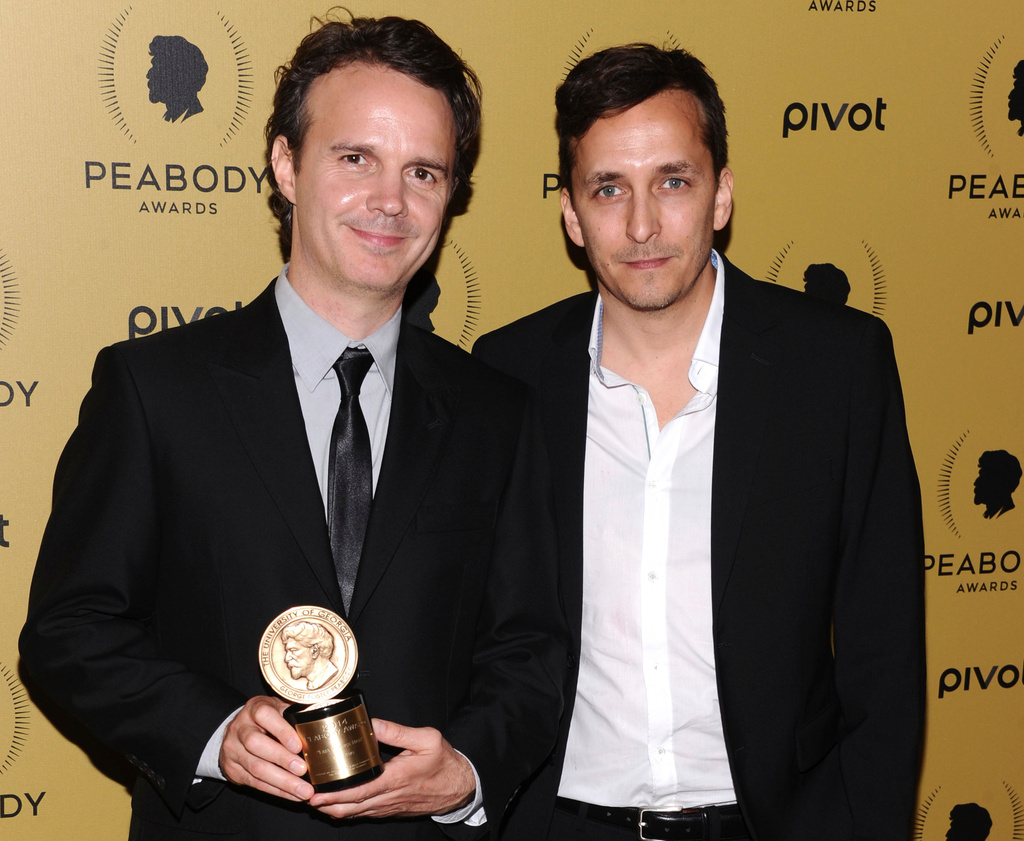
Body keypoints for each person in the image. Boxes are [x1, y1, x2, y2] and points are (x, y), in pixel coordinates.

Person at [21, 14, 565, 841]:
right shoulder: (155, 389)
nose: (390, 201)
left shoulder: (497, 412)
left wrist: (466, 772)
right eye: (356, 159)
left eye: (424, 171)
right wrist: (214, 735)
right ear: (286, 163)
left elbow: (531, 649)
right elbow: (70, 630)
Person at [475, 43, 924, 841]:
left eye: (672, 182)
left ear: (720, 195)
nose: (642, 224)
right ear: (573, 215)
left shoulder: (837, 367)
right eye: (609, 187)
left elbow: (883, 648)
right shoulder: (510, 374)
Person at [281, 620, 341, 691]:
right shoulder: (312, 684)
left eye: (293, 650)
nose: (286, 658)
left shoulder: (328, 676)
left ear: (315, 651)